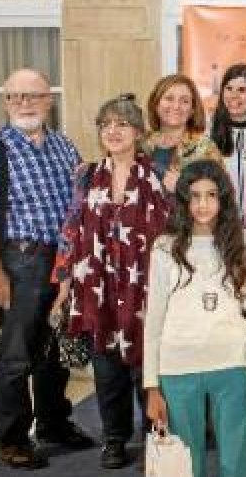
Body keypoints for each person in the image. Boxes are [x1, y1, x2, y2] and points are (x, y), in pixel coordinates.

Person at [0, 68, 94, 469]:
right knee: (17, 355)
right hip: (21, 260)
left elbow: (81, 202)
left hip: (62, 262)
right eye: (15, 97)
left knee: (54, 350)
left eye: (32, 96)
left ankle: (54, 423)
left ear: (49, 100)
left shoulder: (64, 147)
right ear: (5, 102)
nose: (24, 104)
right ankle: (13, 437)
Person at [51, 94, 171, 468]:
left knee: (147, 367)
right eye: (106, 125)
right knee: (107, 371)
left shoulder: (161, 175)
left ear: (138, 131)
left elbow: (176, 234)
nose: (114, 131)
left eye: (122, 124)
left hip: (145, 288)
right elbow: (70, 232)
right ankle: (114, 439)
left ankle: (156, 435)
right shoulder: (85, 175)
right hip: (98, 287)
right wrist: (64, 287)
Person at [144, 160, 246, 477]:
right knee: (186, 463)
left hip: (232, 364)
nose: (203, 204)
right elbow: (154, 322)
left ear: (223, 198)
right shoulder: (164, 247)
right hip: (177, 368)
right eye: (195, 195)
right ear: (183, 199)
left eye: (211, 195)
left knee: (236, 459)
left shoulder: (243, 243)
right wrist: (151, 385)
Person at [208, 63, 246, 217]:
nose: (233, 95)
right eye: (229, 88)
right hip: (220, 222)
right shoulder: (207, 126)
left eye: (242, 90)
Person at [143, 73, 222, 192]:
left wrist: (183, 189)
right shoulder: (140, 145)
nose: (176, 106)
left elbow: (221, 196)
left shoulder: (206, 148)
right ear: (156, 104)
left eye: (184, 101)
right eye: (169, 98)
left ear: (192, 110)